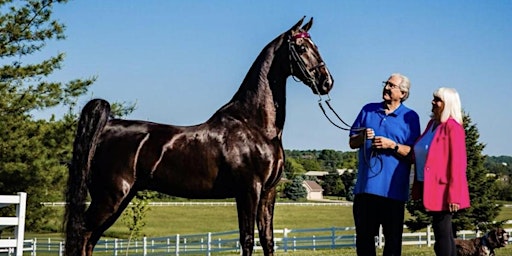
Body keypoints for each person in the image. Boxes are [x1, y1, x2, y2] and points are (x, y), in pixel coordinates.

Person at [349, 73, 421, 256]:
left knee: (393, 243)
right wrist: (362, 136)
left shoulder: (411, 117)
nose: (386, 88)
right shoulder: (368, 110)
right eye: (386, 84)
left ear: (403, 93)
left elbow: (413, 153)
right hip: (365, 190)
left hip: (393, 192)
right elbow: (351, 142)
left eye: (391, 85)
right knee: (364, 241)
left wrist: (393, 145)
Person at [411, 87, 470, 256]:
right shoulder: (432, 124)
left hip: (444, 188)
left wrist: (454, 195)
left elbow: (458, 164)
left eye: (437, 100)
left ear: (448, 104)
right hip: (428, 184)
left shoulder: (453, 127)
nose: (433, 102)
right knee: (442, 232)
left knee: (442, 231)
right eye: (434, 98)